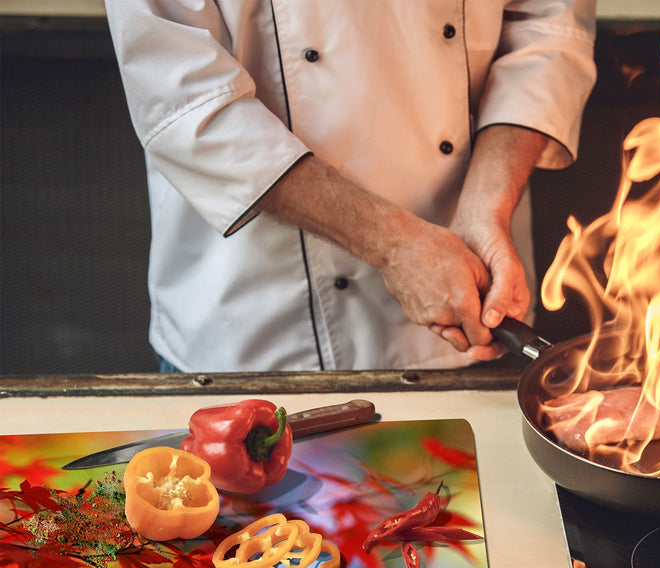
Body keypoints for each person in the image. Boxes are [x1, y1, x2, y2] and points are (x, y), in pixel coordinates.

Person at [104, 1, 597, 372]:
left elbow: (548, 31)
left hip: (475, 293)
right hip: (261, 322)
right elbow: (186, 99)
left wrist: (487, 208)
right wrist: (393, 246)